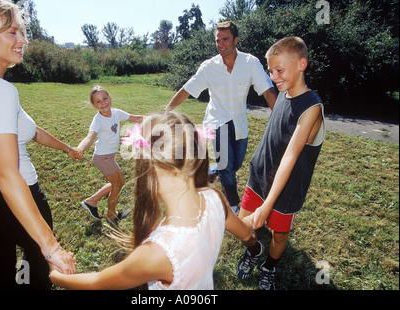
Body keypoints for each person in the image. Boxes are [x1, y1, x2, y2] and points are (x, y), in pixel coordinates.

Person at [0, 0, 78, 289]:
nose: (23, 40)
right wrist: (51, 247)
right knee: (35, 280)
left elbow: (30, 131)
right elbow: (5, 174)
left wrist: (66, 148)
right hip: (14, 202)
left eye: (22, 32)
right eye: (11, 33)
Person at [50, 111, 256, 290]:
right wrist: (257, 221)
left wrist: (55, 275)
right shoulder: (215, 197)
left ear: (149, 171)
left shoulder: (158, 253)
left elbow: (97, 282)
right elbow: (246, 233)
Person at [236, 37, 325, 290]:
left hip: (286, 189)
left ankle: (270, 265)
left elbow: (291, 154)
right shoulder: (283, 94)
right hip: (259, 177)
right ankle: (254, 251)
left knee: (280, 233)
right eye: (271, 71)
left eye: (280, 70)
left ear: (301, 64)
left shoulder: (311, 107)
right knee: (243, 227)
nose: (274, 77)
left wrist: (267, 205)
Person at [164, 21, 277, 216]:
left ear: (236, 40)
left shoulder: (250, 63)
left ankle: (214, 170)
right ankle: (233, 205)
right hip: (217, 122)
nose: (221, 44)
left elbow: (267, 91)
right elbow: (187, 89)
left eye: (225, 39)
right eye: (218, 40)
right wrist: (166, 112)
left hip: (240, 123)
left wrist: (279, 119)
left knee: (235, 164)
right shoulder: (209, 67)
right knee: (227, 167)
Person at [77, 85, 143, 223]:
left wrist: (157, 118)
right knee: (117, 185)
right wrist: (79, 150)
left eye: (105, 99)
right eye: (98, 102)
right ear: (94, 105)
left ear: (110, 98)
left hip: (109, 156)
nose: (103, 103)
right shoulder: (98, 121)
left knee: (120, 182)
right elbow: (89, 137)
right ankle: (111, 215)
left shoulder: (116, 113)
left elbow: (136, 118)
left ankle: (92, 201)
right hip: (102, 158)